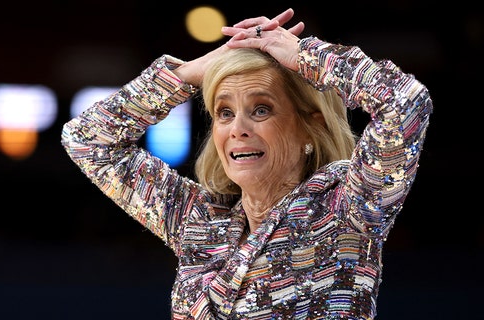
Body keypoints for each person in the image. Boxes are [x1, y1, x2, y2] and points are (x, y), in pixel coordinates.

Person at [61, 7, 432, 319]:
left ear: (309, 126)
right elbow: (88, 140)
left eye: (261, 109)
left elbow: (405, 102)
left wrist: (309, 56)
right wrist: (189, 74)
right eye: (224, 112)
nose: (237, 128)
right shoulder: (198, 220)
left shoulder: (347, 209)